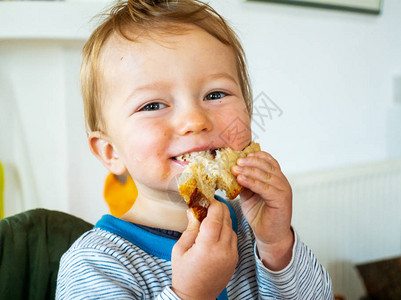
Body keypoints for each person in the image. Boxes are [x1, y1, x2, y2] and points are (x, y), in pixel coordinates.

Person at [56, 0, 333, 299]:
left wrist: (277, 244)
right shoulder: (95, 264)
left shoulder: (254, 225)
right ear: (111, 152)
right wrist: (190, 294)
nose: (194, 121)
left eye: (215, 94)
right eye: (153, 105)